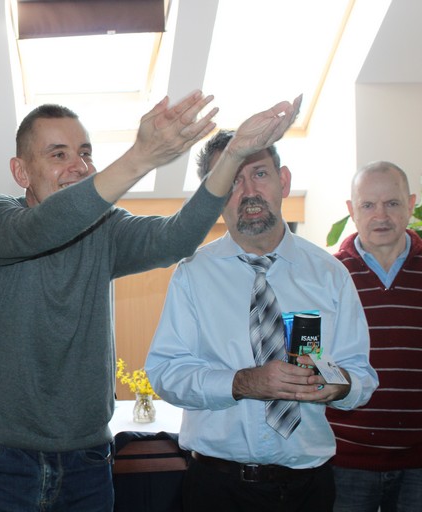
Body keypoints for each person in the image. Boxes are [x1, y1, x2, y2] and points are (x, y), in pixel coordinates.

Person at [0, 91, 303, 511]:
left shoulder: (104, 229)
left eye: (85, 153)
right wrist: (141, 156)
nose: (79, 166)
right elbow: (46, 228)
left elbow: (176, 238)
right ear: (20, 171)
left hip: (87, 458)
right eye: (58, 154)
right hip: (4, 459)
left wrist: (233, 156)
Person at [145, 130, 379, 511]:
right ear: (213, 195)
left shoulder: (330, 275)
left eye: (259, 174)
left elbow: (361, 375)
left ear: (283, 181)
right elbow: (166, 373)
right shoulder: (192, 275)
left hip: (309, 489)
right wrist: (243, 382)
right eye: (232, 180)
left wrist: (339, 385)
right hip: (217, 490)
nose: (249, 191)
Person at [326, 161, 422, 511]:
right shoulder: (329, 276)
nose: (380, 215)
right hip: (345, 459)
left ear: (410, 204)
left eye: (392, 203)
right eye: (368, 205)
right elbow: (310, 354)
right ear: (352, 210)